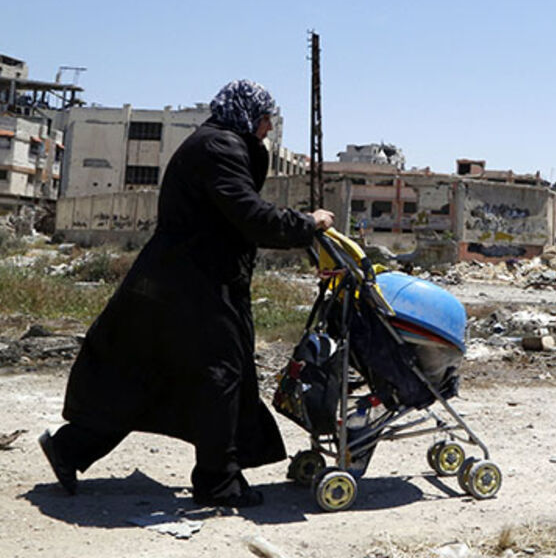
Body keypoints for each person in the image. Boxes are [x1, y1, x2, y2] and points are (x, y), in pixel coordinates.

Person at [39, 80, 334, 507]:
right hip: (196, 285)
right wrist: (307, 224)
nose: (269, 127)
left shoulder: (218, 143)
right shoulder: (220, 148)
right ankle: (218, 483)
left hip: (178, 282)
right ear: (248, 113)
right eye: (267, 117)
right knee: (220, 376)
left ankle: (70, 449)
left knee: (149, 374)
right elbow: (249, 214)